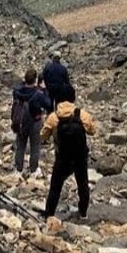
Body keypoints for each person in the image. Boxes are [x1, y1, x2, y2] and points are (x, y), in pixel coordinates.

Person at [41, 84, 96, 220]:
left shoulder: (54, 117)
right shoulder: (82, 114)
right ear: (73, 98)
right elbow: (92, 131)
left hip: (62, 157)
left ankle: (49, 214)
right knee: (83, 185)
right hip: (79, 156)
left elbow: (43, 136)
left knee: (55, 187)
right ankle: (83, 213)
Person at [11, 68, 53, 178]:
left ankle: (18, 168)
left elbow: (19, 88)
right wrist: (44, 90)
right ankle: (33, 169)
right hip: (35, 121)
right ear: (35, 80)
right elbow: (48, 105)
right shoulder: (38, 94)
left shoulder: (17, 91)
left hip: (20, 121)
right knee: (35, 146)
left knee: (20, 146)